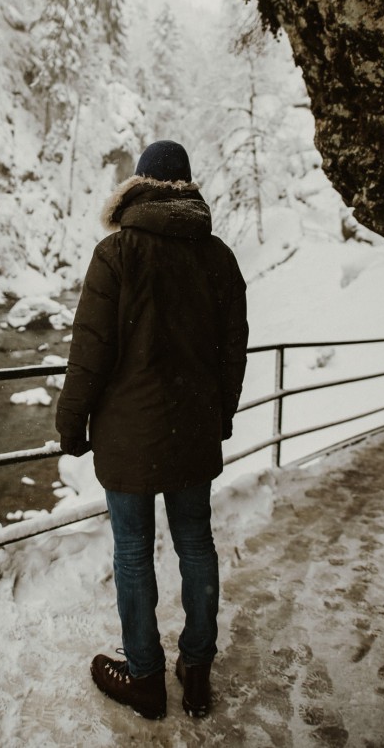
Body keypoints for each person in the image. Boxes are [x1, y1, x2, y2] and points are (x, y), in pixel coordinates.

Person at [55, 140, 248, 721]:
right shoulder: (217, 256)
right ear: (188, 188)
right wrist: (222, 416)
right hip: (192, 429)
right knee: (197, 544)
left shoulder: (116, 253)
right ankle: (196, 669)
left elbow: (90, 351)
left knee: (133, 551)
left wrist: (71, 423)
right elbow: (231, 352)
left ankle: (143, 676)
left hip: (127, 434)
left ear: (137, 185)